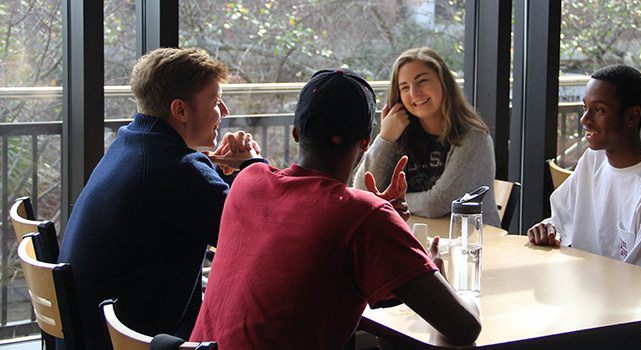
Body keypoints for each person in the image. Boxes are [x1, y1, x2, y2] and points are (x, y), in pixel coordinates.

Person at [189, 68, 481, 349]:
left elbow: (277, 182)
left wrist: (380, 221)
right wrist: (438, 272)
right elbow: (464, 329)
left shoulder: (247, 183)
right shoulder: (365, 217)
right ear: (365, 143)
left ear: (295, 133)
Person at [57, 48, 267, 349]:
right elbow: (262, 234)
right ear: (180, 110)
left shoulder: (130, 144)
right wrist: (254, 165)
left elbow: (204, 207)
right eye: (215, 100)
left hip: (96, 334)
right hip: (141, 339)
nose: (225, 110)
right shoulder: (176, 167)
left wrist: (229, 176)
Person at [526, 65, 641, 350]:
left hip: (630, 328)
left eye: (598, 110)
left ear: (631, 116)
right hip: (583, 305)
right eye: (585, 108)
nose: (584, 120)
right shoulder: (594, 160)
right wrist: (548, 229)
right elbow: (561, 219)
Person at [353, 47, 500, 227]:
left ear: (444, 82)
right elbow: (362, 191)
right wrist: (385, 138)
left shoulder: (474, 138)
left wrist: (386, 200)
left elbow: (436, 203)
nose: (414, 92)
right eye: (404, 87)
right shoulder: (401, 134)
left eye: (422, 81)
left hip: (468, 245)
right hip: (417, 240)